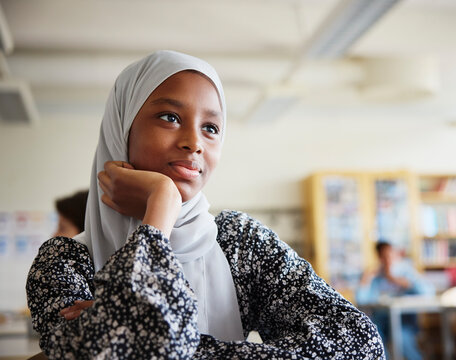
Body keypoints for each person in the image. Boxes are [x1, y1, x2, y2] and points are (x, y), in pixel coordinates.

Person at [26, 51, 384, 359]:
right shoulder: (63, 262)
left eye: (211, 128)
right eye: (170, 117)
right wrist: (160, 206)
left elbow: (361, 346)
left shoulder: (238, 243)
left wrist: (152, 340)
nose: (194, 142)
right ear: (123, 127)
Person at [356, 241, 434, 360]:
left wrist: (397, 280)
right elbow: (361, 300)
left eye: (390, 255)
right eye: (383, 257)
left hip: (404, 322)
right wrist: (366, 279)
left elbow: (428, 292)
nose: (388, 260)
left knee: (401, 338)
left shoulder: (406, 271)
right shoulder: (376, 277)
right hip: (381, 322)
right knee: (372, 337)